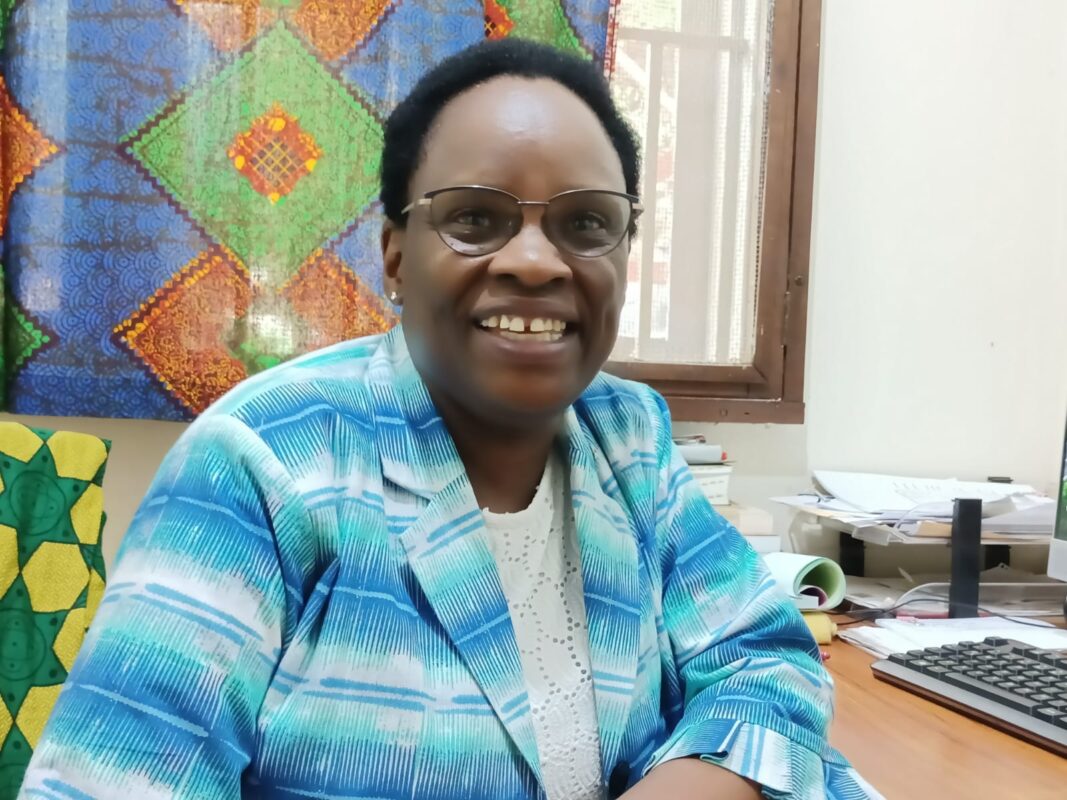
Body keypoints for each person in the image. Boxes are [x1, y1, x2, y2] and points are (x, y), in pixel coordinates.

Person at [20, 39, 880, 800]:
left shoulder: (627, 436)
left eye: (586, 223)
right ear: (395, 256)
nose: (538, 261)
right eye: (476, 219)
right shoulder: (263, 463)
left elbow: (764, 661)